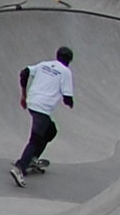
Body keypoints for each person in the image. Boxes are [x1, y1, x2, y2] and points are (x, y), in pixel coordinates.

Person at [7, 45, 76, 187]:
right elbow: (67, 97)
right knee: (36, 139)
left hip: (32, 102)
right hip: (42, 109)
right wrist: (69, 102)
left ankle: (32, 158)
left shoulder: (43, 64)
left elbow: (24, 73)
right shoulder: (65, 72)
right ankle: (20, 167)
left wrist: (24, 95)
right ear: (69, 61)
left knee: (51, 131)